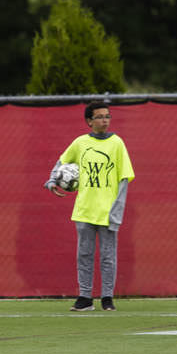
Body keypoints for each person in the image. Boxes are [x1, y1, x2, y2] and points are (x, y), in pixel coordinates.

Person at [46, 100, 135, 311]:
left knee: (108, 257)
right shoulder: (80, 143)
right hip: (84, 210)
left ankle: (107, 298)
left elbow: (124, 179)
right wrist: (51, 181)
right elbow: (62, 163)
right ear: (89, 121)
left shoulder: (117, 144)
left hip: (107, 212)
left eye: (107, 116)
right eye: (100, 117)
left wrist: (117, 210)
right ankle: (85, 298)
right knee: (84, 255)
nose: (105, 120)